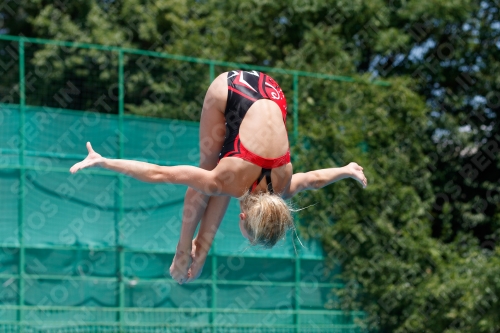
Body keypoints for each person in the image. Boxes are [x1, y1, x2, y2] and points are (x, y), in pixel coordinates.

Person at [70, 70, 368, 284]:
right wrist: (104, 162)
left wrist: (346, 170)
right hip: (230, 90)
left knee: (221, 183)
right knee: (209, 174)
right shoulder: (226, 179)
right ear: (242, 220)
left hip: (271, 90)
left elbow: (315, 178)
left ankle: (200, 250)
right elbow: (160, 174)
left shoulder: (285, 185)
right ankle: (192, 251)